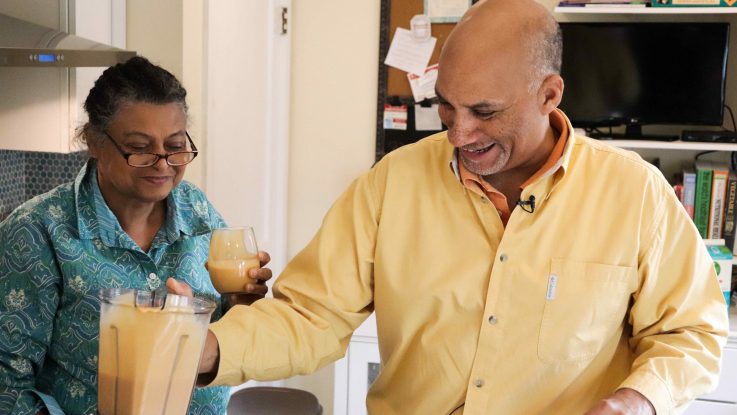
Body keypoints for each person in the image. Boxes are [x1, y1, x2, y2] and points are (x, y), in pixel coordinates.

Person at [197, 0, 729, 413]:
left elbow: (691, 333)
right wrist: (208, 349)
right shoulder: (392, 183)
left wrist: (637, 401)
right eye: (446, 107)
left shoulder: (636, 192)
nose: (458, 134)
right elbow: (311, 315)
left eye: (484, 112)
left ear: (549, 95)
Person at [0, 56, 272, 415]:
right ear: (93, 141)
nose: (162, 163)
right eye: (141, 147)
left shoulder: (197, 208)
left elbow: (222, 336)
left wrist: (240, 303)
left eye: (175, 145)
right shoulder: (39, 231)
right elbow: (7, 386)